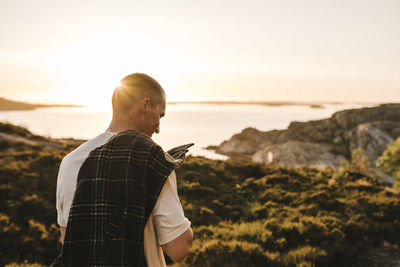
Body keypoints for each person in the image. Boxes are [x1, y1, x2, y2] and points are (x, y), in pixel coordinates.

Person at [54, 73, 193, 266]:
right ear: (145, 105)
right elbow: (178, 248)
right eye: (159, 115)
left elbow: (67, 241)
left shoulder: (69, 162)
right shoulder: (152, 159)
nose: (158, 129)